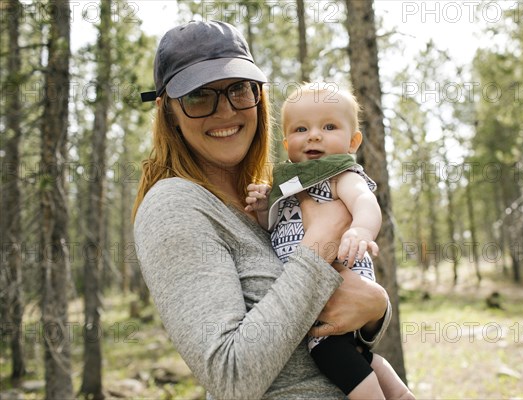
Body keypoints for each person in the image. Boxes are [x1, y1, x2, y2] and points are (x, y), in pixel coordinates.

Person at [133, 20, 398, 399]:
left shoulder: (269, 199)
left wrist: (376, 310)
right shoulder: (175, 205)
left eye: (239, 89)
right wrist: (322, 239)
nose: (225, 111)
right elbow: (231, 376)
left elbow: (317, 318)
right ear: (167, 112)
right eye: (198, 96)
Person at [245, 83, 415, 399]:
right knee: (354, 355)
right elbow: (274, 232)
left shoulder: (340, 175)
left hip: (340, 283)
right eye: (301, 128)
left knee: (328, 351)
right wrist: (260, 209)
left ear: (352, 141)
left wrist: (361, 231)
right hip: (310, 288)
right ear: (286, 142)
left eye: (328, 126)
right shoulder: (289, 185)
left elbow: (365, 202)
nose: (313, 135)